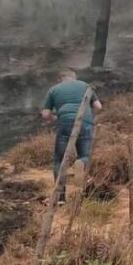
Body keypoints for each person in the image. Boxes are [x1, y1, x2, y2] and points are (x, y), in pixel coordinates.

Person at [41, 69, 103, 205]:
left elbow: (45, 115)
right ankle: (81, 168)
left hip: (65, 123)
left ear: (60, 79)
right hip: (85, 122)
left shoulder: (54, 89)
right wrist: (89, 117)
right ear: (74, 78)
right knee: (85, 155)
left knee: (60, 160)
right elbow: (98, 106)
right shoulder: (85, 85)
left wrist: (56, 118)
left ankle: (60, 198)